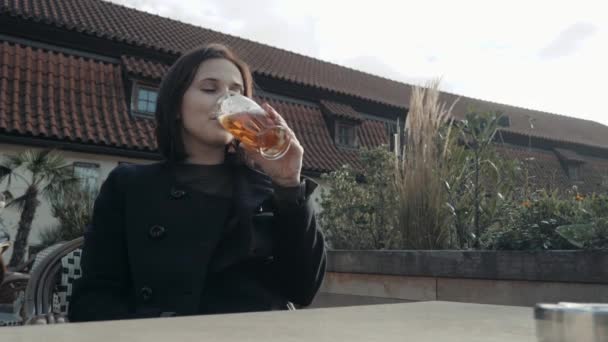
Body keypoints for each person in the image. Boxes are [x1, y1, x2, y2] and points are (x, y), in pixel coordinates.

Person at [68, 44, 326, 322]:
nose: (226, 100)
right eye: (209, 88)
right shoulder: (129, 186)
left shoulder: (267, 190)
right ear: (176, 105)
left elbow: (302, 290)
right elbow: (93, 300)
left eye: (236, 93)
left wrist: (288, 182)